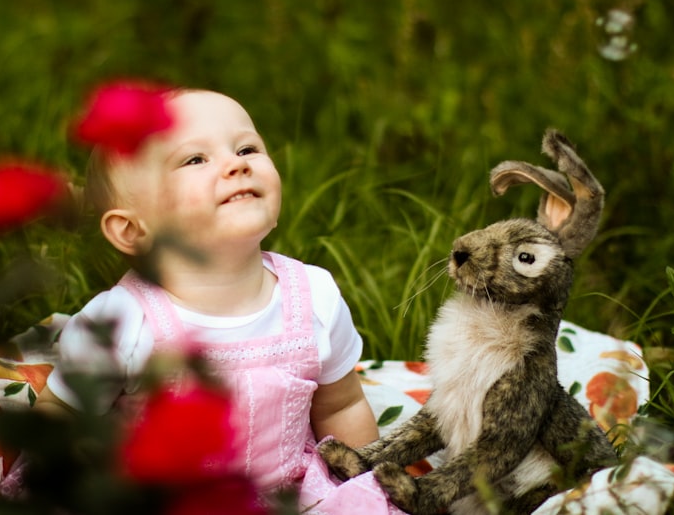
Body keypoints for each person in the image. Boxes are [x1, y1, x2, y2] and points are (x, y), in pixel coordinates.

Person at [37, 88, 404, 513]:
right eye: (195, 159)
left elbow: (342, 405)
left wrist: (364, 487)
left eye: (247, 147)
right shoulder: (124, 320)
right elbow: (61, 416)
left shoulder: (313, 296)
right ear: (132, 231)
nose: (237, 164)